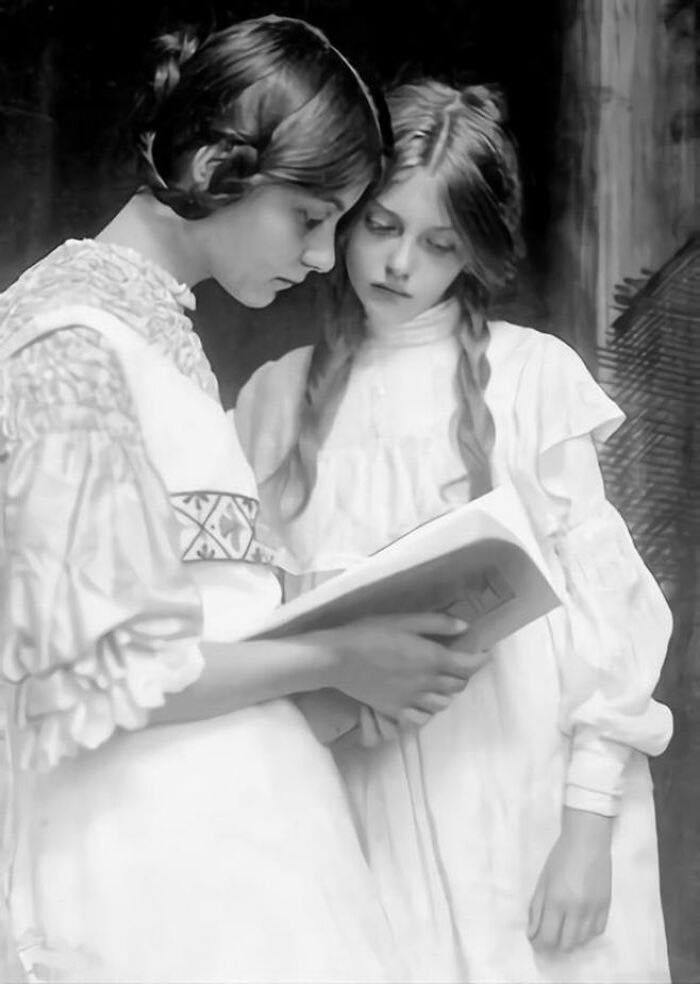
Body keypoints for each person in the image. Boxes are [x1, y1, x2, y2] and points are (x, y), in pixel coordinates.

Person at [0, 28, 477, 984]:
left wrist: (337, 684)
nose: (320, 255)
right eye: (307, 215)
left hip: (232, 841)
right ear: (216, 164)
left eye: (337, 223)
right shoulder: (69, 339)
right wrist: (341, 656)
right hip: (144, 864)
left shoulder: (153, 333)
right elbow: (99, 677)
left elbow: (206, 621)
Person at [235, 80, 674, 983]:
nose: (400, 265)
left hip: (527, 802)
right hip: (355, 803)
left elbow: (613, 616)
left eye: (439, 244)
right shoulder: (276, 397)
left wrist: (587, 829)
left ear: (472, 252)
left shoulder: (530, 377)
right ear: (345, 212)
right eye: (384, 227)